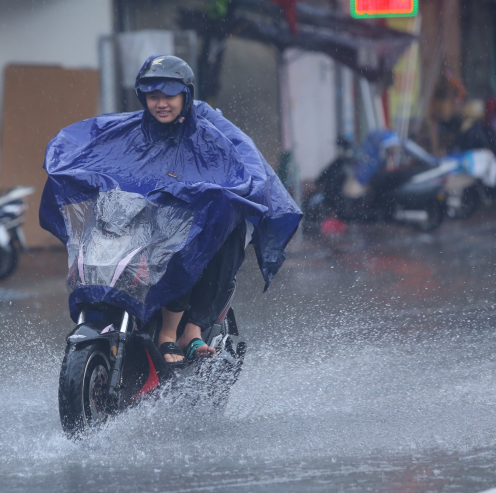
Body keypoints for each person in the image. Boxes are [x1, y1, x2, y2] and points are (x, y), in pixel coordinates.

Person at [40, 55, 301, 364]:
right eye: (153, 96)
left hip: (193, 220)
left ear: (186, 95)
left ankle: (182, 332)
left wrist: (230, 188)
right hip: (145, 219)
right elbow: (84, 145)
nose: (161, 103)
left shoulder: (210, 132)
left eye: (169, 95)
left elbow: (245, 162)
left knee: (201, 241)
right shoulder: (127, 132)